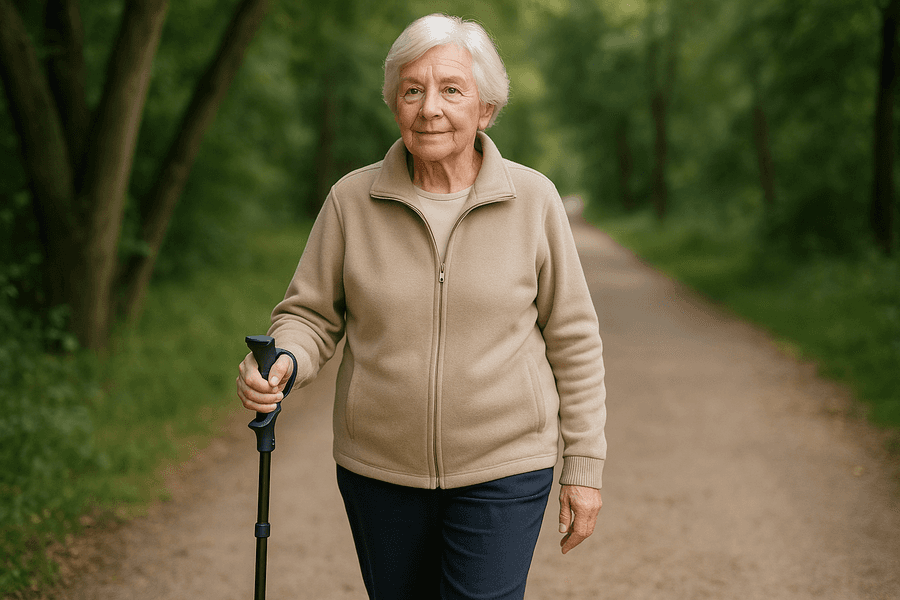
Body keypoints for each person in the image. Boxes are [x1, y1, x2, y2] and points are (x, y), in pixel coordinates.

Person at [236, 13, 607, 600]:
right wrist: (284, 361)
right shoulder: (352, 201)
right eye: (413, 90)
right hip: (379, 470)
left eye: (451, 90)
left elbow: (574, 338)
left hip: (505, 464)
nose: (429, 107)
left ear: (485, 108)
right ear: (394, 105)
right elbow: (309, 315)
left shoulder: (533, 199)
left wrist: (583, 469)